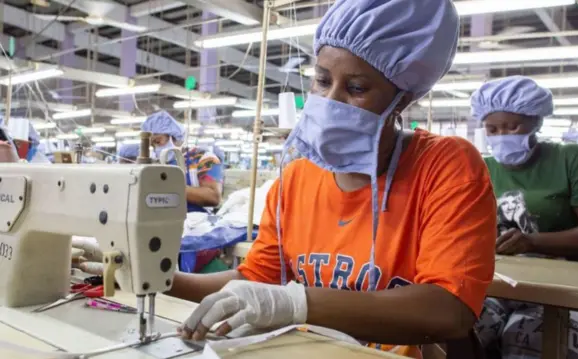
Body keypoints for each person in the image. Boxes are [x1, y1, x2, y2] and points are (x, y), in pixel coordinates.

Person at [169, 1, 497, 357]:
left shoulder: (444, 166)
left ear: (401, 100)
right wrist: (159, 276)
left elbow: (448, 310)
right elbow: (256, 281)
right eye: (322, 80)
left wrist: (297, 303)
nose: (330, 100)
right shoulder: (294, 179)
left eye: (356, 88)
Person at [471, 76, 578, 359]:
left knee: (524, 339)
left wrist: (531, 242)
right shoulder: (481, 167)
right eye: (492, 129)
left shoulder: (570, 158)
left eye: (512, 126)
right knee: (459, 327)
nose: (502, 135)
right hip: (499, 282)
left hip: (565, 284)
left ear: (535, 122)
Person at [141, 111, 223, 212]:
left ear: (174, 137)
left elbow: (213, 197)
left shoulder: (204, 158)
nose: (155, 148)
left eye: (158, 142)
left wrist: (171, 188)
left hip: (196, 223)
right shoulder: (159, 163)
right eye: (152, 145)